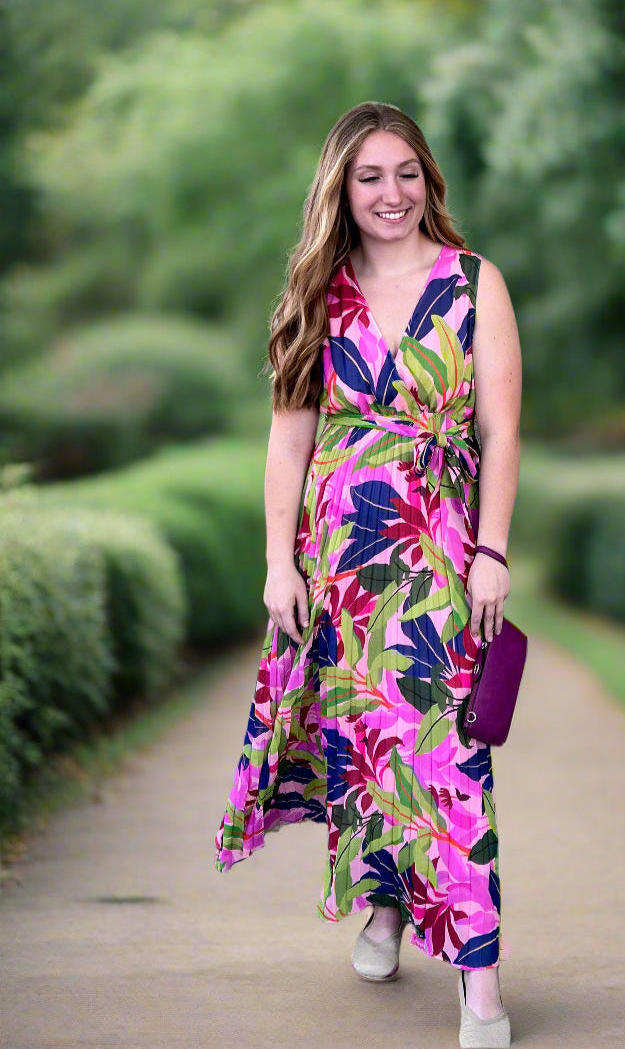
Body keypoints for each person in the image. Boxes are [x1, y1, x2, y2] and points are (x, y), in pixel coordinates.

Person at [214, 101, 522, 1049]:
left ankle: (479, 982)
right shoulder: (318, 292)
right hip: (340, 561)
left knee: (448, 761)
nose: (390, 193)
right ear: (339, 190)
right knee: (369, 752)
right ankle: (387, 910)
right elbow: (288, 442)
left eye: (405, 173)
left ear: (429, 179)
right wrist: (277, 562)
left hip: (437, 559)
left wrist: (492, 551)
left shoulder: (474, 282)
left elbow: (500, 429)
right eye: (368, 177)